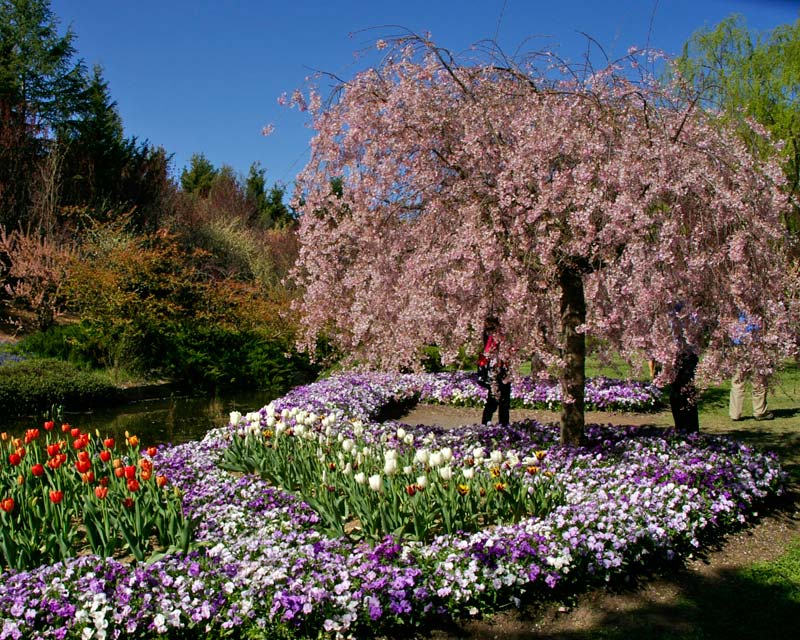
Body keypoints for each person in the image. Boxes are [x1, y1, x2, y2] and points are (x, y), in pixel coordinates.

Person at [729, 312, 773, 421]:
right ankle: (759, 411)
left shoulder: (735, 306)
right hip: (755, 344)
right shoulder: (755, 304)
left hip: (739, 344)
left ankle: (735, 413)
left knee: (739, 380)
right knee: (758, 379)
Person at [478, 317, 511, 425]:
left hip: (502, 369)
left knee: (503, 399)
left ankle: (502, 423)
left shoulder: (498, 336)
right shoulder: (490, 337)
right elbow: (487, 353)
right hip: (494, 369)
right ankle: (488, 422)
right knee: (494, 398)